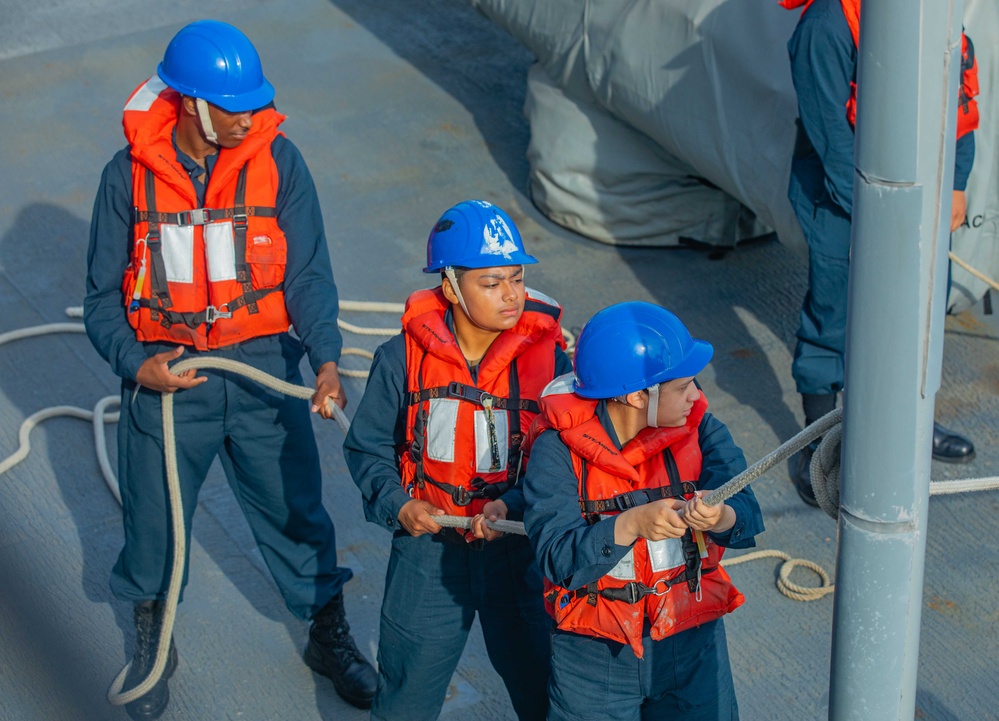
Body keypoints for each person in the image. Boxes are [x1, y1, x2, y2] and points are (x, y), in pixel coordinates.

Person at [83, 20, 376, 720]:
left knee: (298, 511)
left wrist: (327, 357)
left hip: (264, 372)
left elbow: (308, 277)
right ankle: (155, 643)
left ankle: (325, 634)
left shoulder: (281, 162)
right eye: (233, 105)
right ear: (188, 103)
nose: (248, 116)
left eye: (252, 103)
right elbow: (99, 301)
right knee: (154, 524)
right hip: (167, 378)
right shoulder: (125, 178)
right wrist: (136, 364)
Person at [343, 199, 571, 721]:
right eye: (492, 283)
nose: (511, 294)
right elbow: (367, 448)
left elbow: (564, 459)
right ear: (449, 286)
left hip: (517, 551)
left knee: (545, 687)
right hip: (428, 548)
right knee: (405, 693)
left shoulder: (550, 361)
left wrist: (512, 505)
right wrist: (399, 506)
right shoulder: (401, 358)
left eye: (516, 278)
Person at [522, 301, 765, 720]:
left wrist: (723, 516)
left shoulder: (703, 429)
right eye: (683, 385)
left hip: (692, 645)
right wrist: (629, 524)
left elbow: (747, 512)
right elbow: (556, 557)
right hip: (593, 658)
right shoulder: (556, 450)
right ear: (637, 395)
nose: (697, 395)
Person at [781, 0, 981, 505]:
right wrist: (880, 213)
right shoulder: (825, 26)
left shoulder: (932, 12)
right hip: (840, 196)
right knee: (833, 315)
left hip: (920, 194)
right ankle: (817, 443)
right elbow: (830, 134)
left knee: (916, 312)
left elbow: (957, 97)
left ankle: (911, 427)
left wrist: (955, 183)